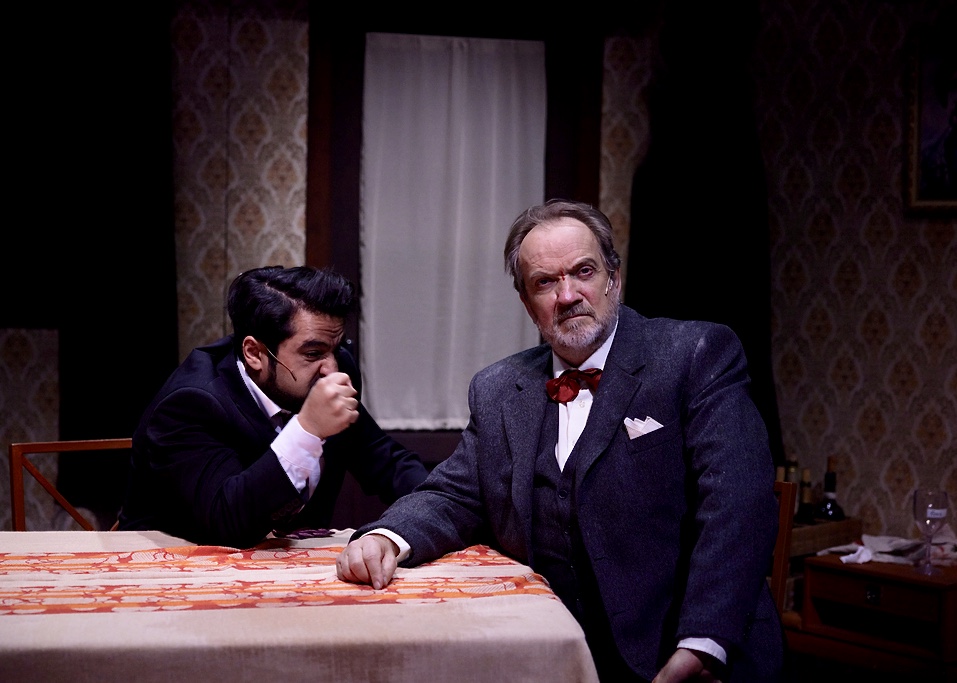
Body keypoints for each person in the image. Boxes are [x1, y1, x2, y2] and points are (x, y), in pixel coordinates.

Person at [335, 200, 783, 682]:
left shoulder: (694, 355)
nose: (568, 295)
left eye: (584, 272)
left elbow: (737, 504)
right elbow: (455, 494)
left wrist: (703, 644)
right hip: (552, 655)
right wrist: (386, 536)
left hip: (686, 653)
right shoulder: (497, 388)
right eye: (545, 282)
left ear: (613, 278)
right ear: (527, 303)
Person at [118, 265, 429, 548]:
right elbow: (226, 522)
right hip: (173, 567)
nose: (331, 369)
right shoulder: (191, 402)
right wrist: (307, 429)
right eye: (313, 353)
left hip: (293, 567)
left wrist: (442, 506)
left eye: (335, 349)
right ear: (255, 354)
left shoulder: (333, 368)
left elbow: (387, 463)